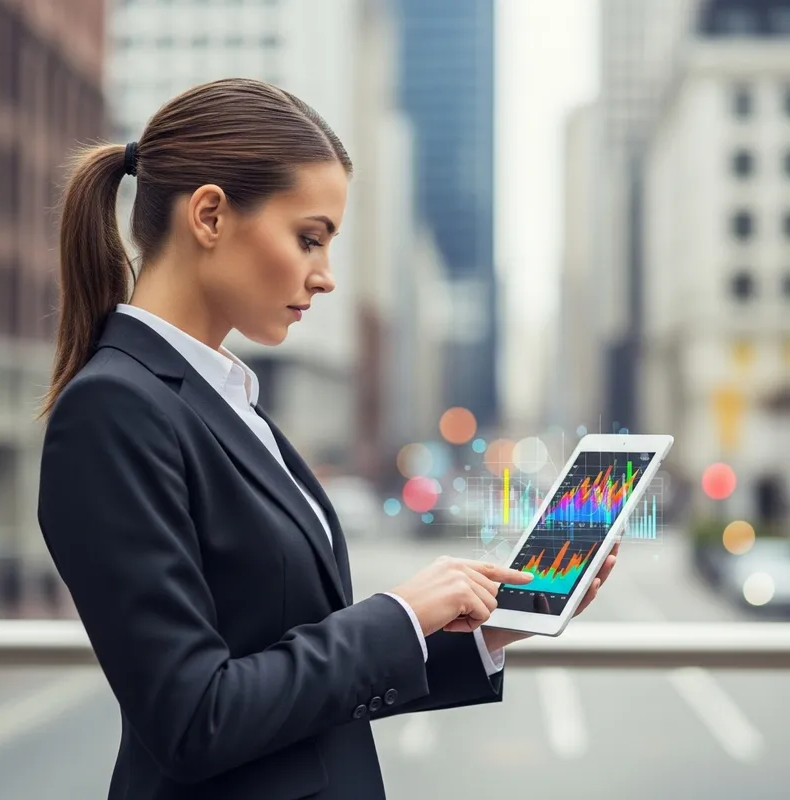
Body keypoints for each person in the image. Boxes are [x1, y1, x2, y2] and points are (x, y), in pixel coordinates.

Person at [36, 79, 617, 800]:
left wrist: (486, 633)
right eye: (309, 237)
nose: (327, 276)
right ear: (210, 215)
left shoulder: (229, 401)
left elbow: (296, 679)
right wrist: (399, 615)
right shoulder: (114, 411)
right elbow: (192, 718)